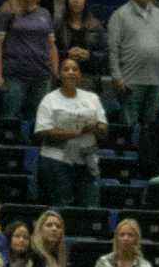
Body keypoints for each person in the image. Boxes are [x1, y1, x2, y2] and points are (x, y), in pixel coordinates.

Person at [104, 0, 159, 140]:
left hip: (155, 83)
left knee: (153, 129)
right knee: (130, 128)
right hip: (129, 82)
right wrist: (116, 76)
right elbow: (112, 49)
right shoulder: (119, 15)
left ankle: (148, 162)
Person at [33, 56, 107, 210]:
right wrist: (76, 132)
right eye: (66, 69)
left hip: (87, 160)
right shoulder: (49, 99)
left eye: (75, 69)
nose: (71, 72)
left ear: (80, 74)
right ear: (59, 75)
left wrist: (95, 127)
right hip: (56, 160)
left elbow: (103, 128)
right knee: (62, 208)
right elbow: (42, 131)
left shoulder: (92, 98)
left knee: (90, 207)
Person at [0, 0, 58, 122]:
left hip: (41, 76)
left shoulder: (45, 13)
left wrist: (55, 72)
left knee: (38, 122)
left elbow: (51, 45)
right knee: (9, 119)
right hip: (14, 76)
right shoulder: (7, 12)